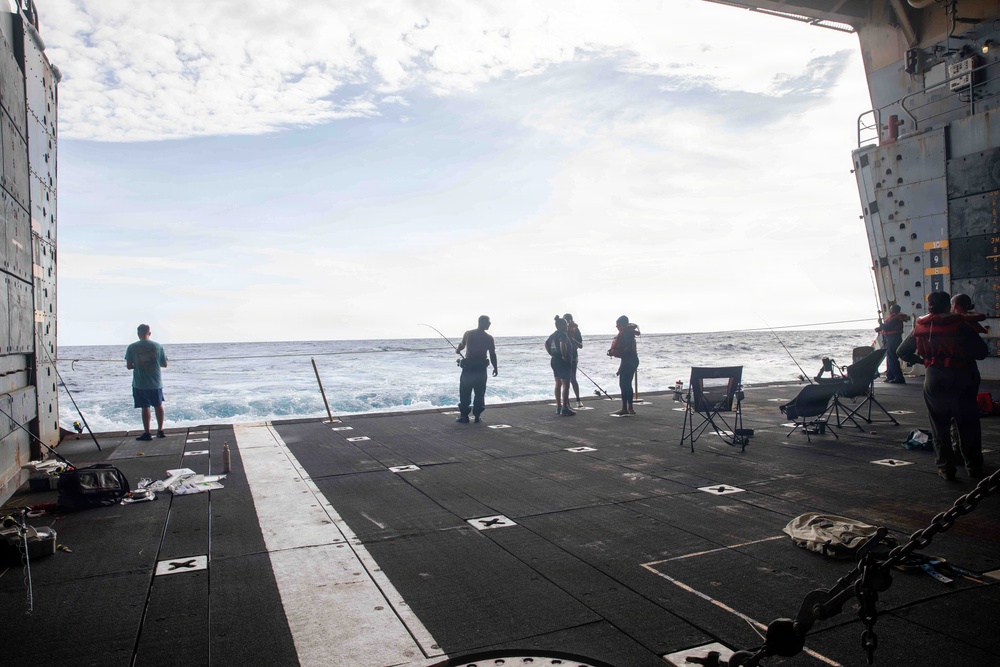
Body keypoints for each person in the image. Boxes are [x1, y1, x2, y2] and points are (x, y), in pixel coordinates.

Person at [897, 292, 988, 481]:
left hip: (933, 378)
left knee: (939, 426)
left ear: (929, 306)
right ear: (949, 306)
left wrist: (924, 361)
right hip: (961, 377)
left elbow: (901, 351)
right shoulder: (960, 325)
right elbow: (981, 352)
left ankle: (946, 469)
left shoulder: (921, 326)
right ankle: (974, 469)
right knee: (968, 425)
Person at [125, 323, 168, 441]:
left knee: (145, 407)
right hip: (156, 382)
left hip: (140, 383)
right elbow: (164, 364)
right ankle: (160, 430)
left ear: (138, 334)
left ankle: (147, 433)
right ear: (149, 333)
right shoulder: (158, 346)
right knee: (158, 405)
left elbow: (129, 366)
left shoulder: (132, 347)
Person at [455, 315, 498, 423]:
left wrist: (458, 350)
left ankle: (464, 416)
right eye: (488, 322)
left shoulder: (468, 334)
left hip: (468, 368)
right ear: (482, 323)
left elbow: (462, 345)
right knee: (480, 392)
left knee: (465, 391)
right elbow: (492, 354)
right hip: (480, 368)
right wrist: (495, 367)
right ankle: (477, 416)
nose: (490, 324)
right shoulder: (488, 338)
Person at [607, 315, 640, 416]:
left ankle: (625, 408)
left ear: (622, 324)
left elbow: (628, 348)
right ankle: (629, 408)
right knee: (627, 384)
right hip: (631, 360)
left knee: (623, 384)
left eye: (617, 325)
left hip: (629, 360)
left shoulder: (626, 333)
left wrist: (615, 352)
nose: (616, 327)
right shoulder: (628, 332)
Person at [545, 316, 575, 416]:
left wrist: (551, 353)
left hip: (555, 360)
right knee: (566, 385)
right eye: (566, 324)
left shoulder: (553, 335)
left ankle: (558, 406)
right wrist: (564, 356)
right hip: (563, 362)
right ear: (561, 325)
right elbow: (562, 344)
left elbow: (546, 344)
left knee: (558, 383)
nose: (567, 326)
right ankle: (565, 408)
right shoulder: (563, 335)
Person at [874, 304, 909, 383]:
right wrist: (880, 328)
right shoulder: (895, 318)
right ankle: (890, 376)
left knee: (892, 358)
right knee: (889, 358)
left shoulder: (896, 318)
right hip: (891, 339)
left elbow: (886, 327)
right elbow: (887, 327)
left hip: (894, 339)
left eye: (891, 309)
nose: (889, 310)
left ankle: (898, 377)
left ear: (894, 310)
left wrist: (880, 323)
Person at [564, 313, 584, 408]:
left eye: (568, 320)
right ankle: (566, 402)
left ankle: (578, 399)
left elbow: (580, 345)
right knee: (565, 379)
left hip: (573, 356)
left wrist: (573, 340)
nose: (567, 323)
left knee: (572, 378)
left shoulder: (575, 330)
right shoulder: (562, 331)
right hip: (564, 357)